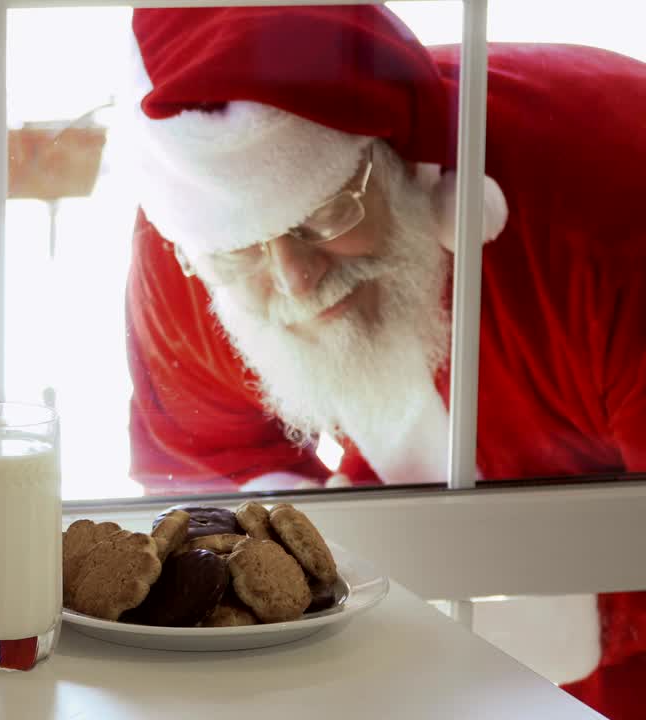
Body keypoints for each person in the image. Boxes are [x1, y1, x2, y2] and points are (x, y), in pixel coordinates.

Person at [121, 7, 646, 719]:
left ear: (398, 159)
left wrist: (534, 625)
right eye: (245, 247)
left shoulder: (609, 218)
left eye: (326, 214)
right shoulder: (194, 253)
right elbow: (208, 464)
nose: (294, 280)